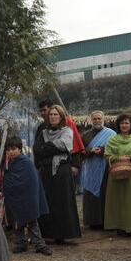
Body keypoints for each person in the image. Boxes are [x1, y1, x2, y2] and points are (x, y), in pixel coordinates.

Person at [33, 104, 81, 244]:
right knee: (48, 202)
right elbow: (37, 150)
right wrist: (51, 148)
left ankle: (64, 234)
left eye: (56, 114)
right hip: (46, 172)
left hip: (62, 172)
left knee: (63, 202)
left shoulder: (67, 131)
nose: (53, 117)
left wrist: (46, 148)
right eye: (51, 115)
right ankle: (49, 233)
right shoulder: (43, 133)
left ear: (60, 117)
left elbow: (64, 145)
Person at [0, 135, 51, 255]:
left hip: (27, 198)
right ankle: (21, 244)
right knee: (17, 223)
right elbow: (7, 178)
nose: (10, 152)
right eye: (8, 149)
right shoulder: (8, 163)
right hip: (14, 198)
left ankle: (40, 245)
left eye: (13, 149)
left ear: (20, 149)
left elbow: (32, 182)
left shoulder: (26, 163)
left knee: (32, 222)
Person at [79, 110, 114, 230]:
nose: (97, 121)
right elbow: (80, 152)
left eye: (99, 118)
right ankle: (92, 222)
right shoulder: (85, 135)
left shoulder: (111, 134)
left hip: (105, 169)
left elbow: (115, 149)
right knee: (90, 196)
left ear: (103, 119)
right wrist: (90, 151)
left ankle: (106, 221)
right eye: (95, 119)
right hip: (90, 170)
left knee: (105, 194)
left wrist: (102, 150)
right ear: (91, 120)